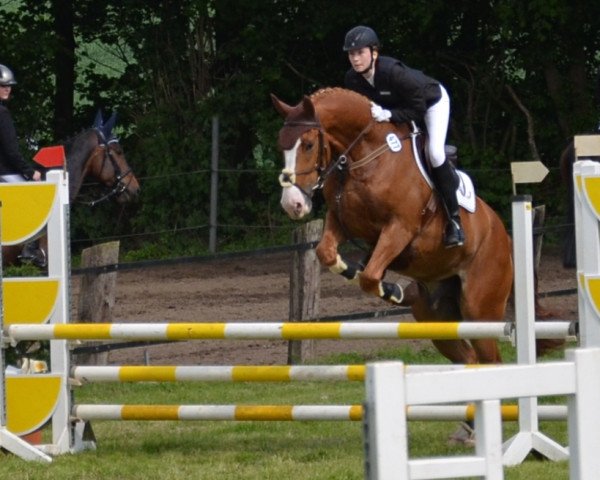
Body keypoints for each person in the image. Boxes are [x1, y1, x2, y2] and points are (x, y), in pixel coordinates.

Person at [343, 26, 464, 248]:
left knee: (434, 153)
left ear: (374, 52)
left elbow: (417, 110)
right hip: (396, 111)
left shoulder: (393, 72)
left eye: (360, 52)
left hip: (430, 103)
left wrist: (389, 113)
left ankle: (454, 221)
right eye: (351, 54)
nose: (355, 59)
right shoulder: (352, 79)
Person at [0, 63, 46, 267]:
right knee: (39, 197)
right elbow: (11, 152)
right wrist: (29, 172)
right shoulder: (2, 113)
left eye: (9, 85)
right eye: (3, 85)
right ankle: (30, 248)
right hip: (5, 172)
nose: (7, 88)